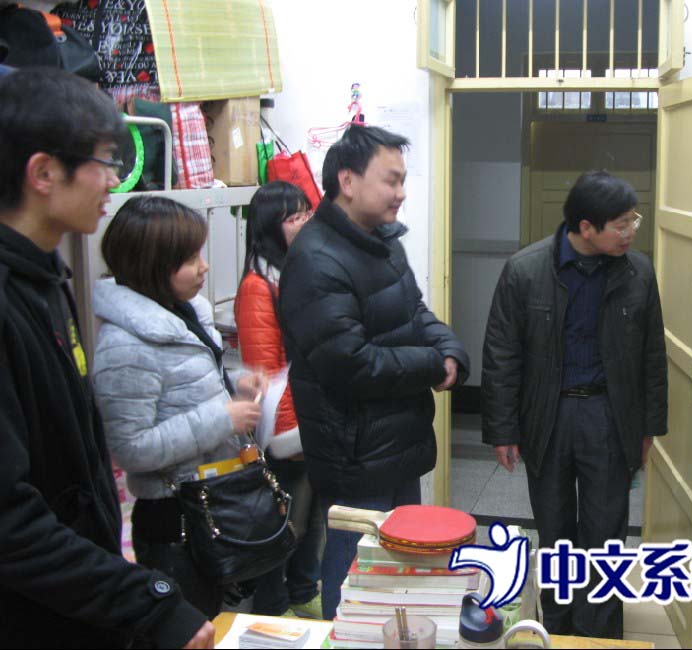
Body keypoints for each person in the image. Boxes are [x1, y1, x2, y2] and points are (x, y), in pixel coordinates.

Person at [0, 67, 213, 648]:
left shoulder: (48, 278)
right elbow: (10, 522)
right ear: (44, 173)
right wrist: (149, 604)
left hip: (73, 604)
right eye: (104, 161)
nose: (115, 180)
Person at [279, 124, 470, 619]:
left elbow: (414, 311)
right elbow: (351, 364)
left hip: (396, 441)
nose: (401, 193)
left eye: (403, 180)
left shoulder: (381, 240)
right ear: (347, 180)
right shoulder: (315, 259)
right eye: (391, 180)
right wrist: (432, 364)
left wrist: (449, 350)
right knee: (355, 574)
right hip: (355, 453)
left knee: (399, 569)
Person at [481, 170, 668, 638]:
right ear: (586, 228)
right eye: (621, 224)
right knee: (556, 531)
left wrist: (648, 428)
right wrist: (502, 430)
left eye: (633, 221)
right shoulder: (525, 271)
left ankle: (599, 638)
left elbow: (652, 355)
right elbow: (501, 355)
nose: (631, 231)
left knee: (606, 535)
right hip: (548, 417)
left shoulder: (638, 273)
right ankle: (560, 632)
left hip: (609, 416)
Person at [91, 195, 267, 620]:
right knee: (192, 626)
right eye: (190, 259)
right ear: (152, 265)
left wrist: (236, 392)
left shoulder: (183, 314)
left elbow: (184, 395)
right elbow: (130, 449)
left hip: (213, 501)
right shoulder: (124, 346)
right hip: (175, 522)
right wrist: (221, 418)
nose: (204, 267)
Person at [234, 181, 324, 619]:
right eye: (293, 217)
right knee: (285, 518)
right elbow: (267, 371)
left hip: (311, 410)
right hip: (287, 420)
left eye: (307, 212)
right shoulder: (258, 285)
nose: (304, 222)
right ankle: (275, 606)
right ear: (270, 226)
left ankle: (303, 590)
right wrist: (292, 432)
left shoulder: (297, 268)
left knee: (312, 513)